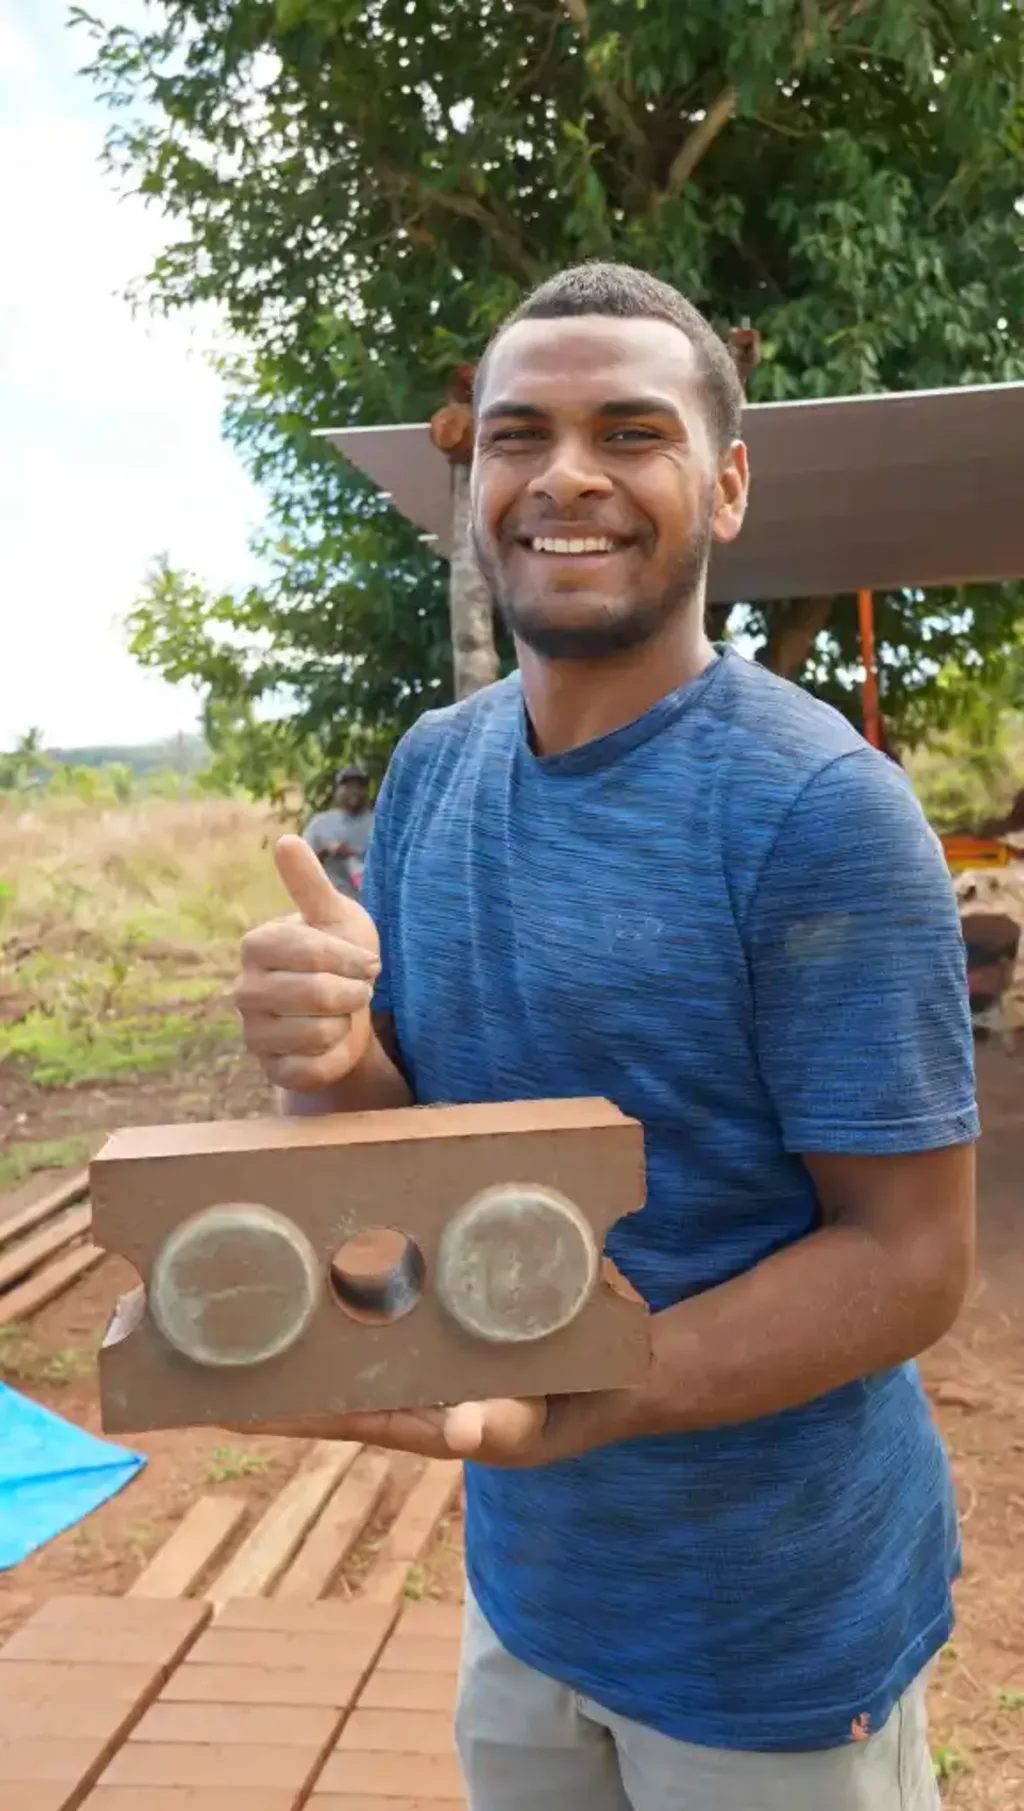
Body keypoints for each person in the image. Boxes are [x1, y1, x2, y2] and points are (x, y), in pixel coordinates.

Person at [233, 262, 978, 1811]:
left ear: (727, 484)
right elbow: (416, 1140)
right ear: (477, 478)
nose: (564, 475)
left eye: (629, 431)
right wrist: (333, 1055)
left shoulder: (817, 812)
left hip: (771, 1629)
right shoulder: (434, 773)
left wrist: (589, 1394)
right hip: (533, 1584)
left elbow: (908, 1257)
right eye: (518, 436)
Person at [300, 764, 374, 898]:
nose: (354, 791)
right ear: (336, 790)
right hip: (329, 904)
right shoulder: (320, 823)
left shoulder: (379, 824)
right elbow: (300, 864)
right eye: (348, 786)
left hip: (369, 906)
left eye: (360, 786)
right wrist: (327, 851)